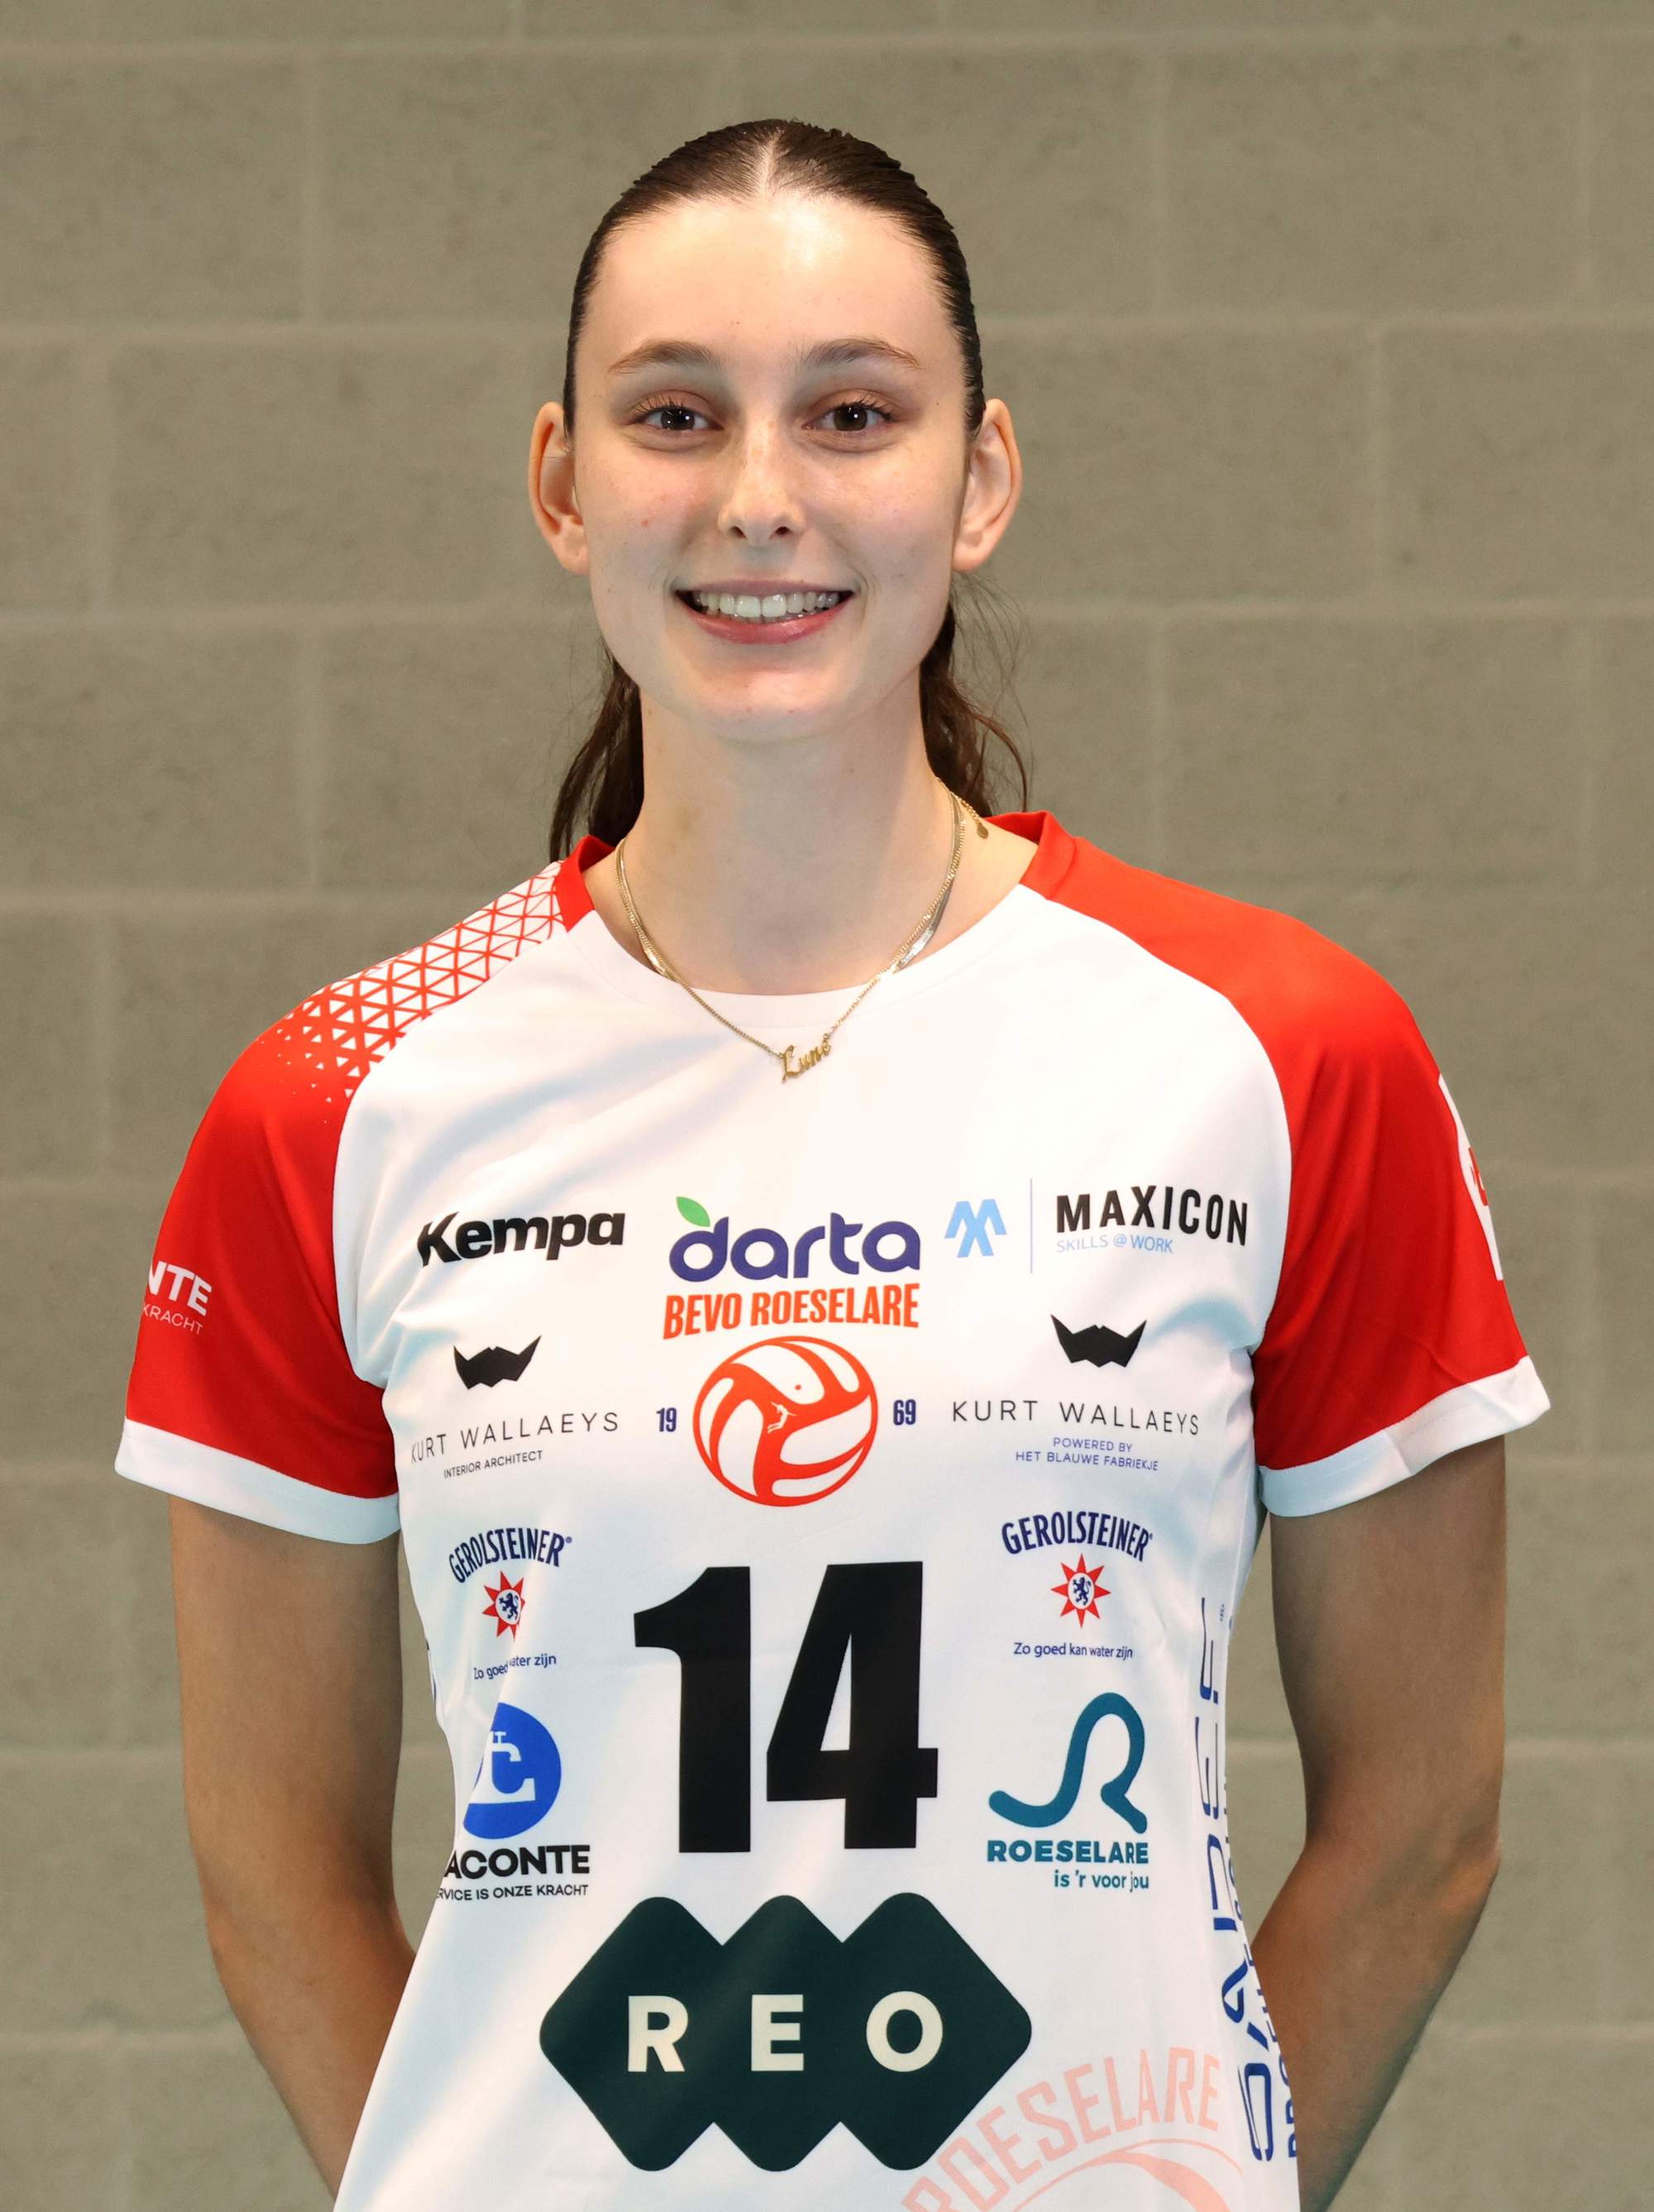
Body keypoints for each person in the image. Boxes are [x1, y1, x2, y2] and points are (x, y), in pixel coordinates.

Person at [115, 118, 1549, 2212]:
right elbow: (272, 1875)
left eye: (853, 414)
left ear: (980, 479)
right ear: (561, 483)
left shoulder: (1279, 1051)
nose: (760, 496)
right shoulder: (333, 1101)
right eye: (675, 415)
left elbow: (1422, 1829)